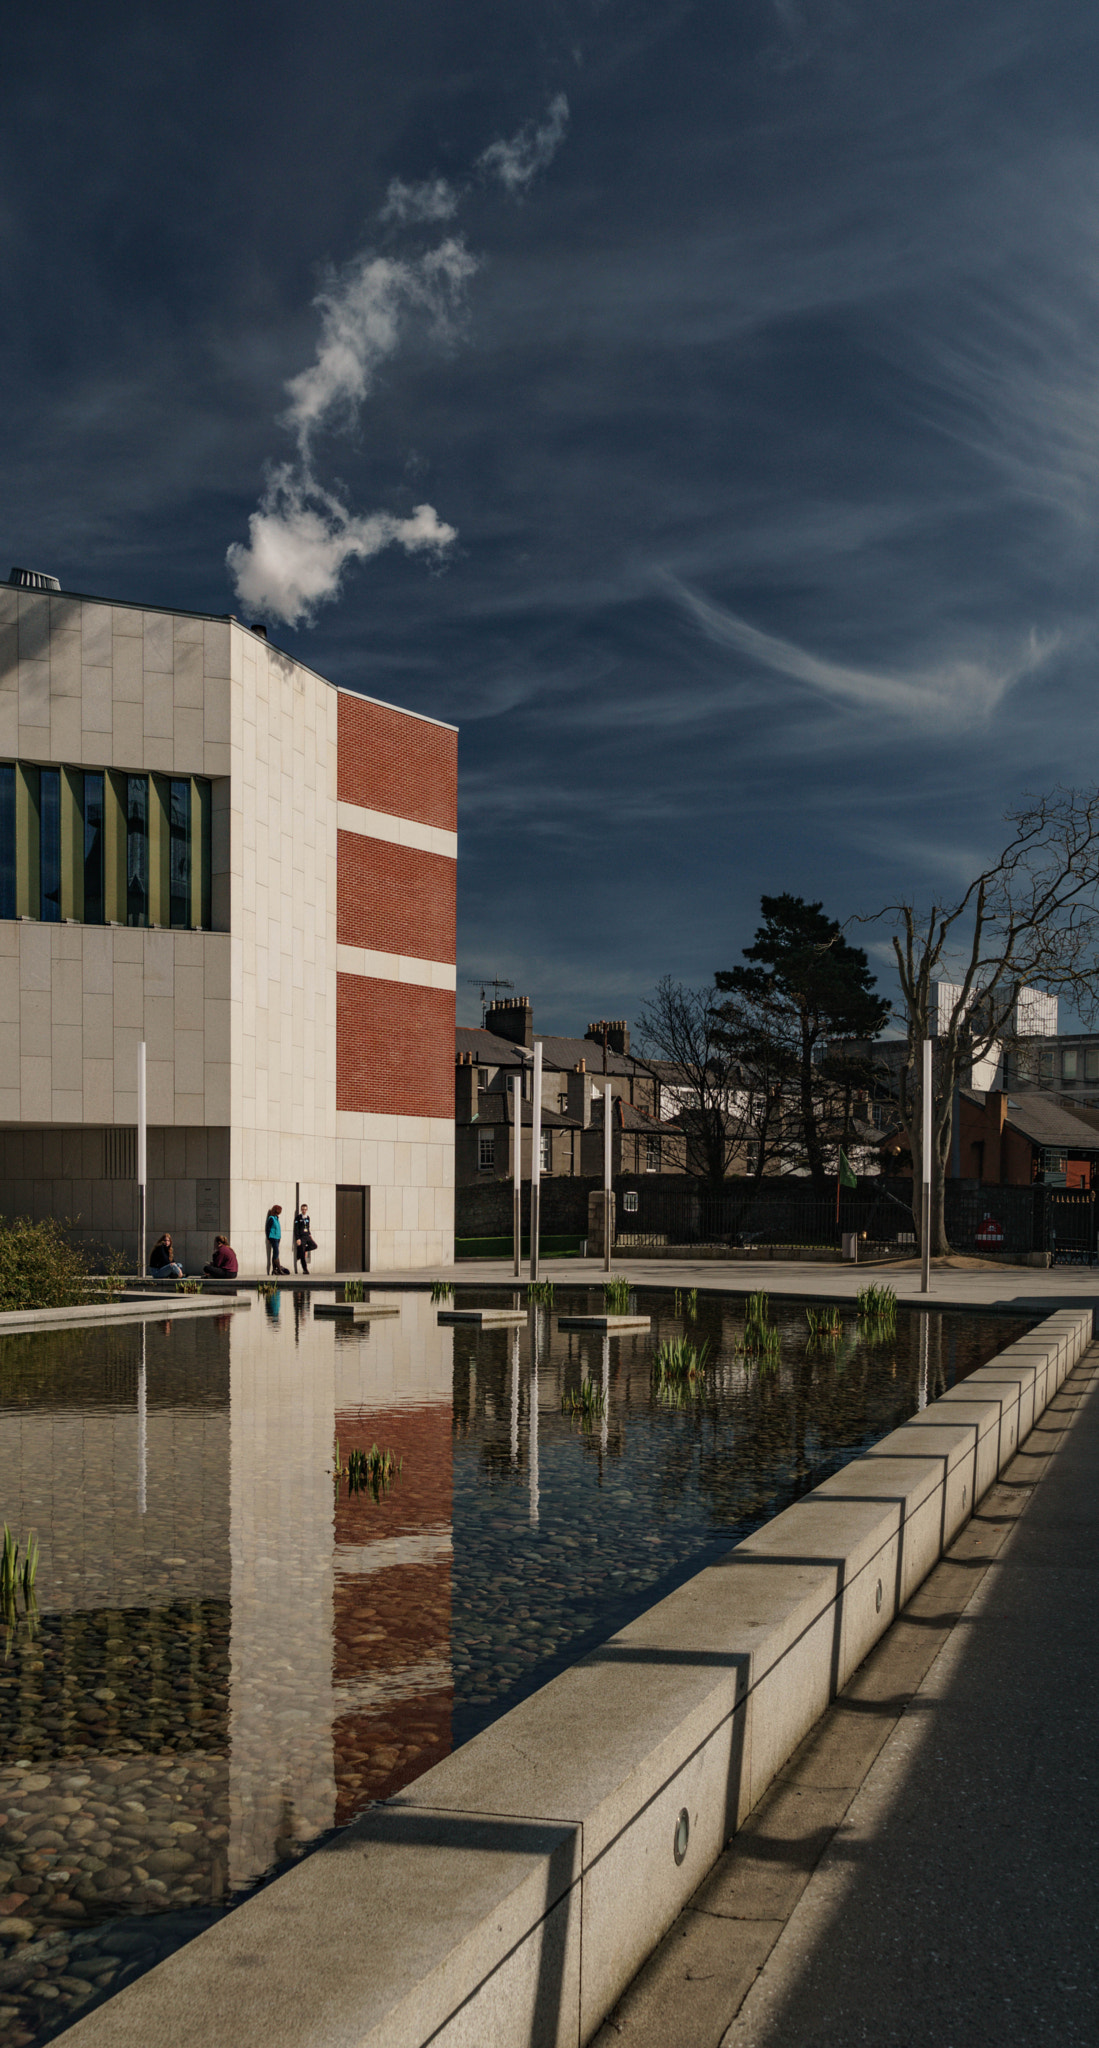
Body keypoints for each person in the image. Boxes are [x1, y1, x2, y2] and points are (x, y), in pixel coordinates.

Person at [293, 1201, 317, 1274]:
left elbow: (308, 1227)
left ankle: (300, 1253)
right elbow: (296, 1229)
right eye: (303, 1209)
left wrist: (310, 1235)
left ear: (307, 1210)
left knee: (314, 1246)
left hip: (307, 1236)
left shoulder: (308, 1217)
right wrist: (297, 1238)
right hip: (301, 1237)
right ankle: (305, 1269)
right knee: (303, 1255)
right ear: (301, 1209)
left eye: (305, 1209)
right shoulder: (298, 1218)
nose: (304, 1210)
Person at [265, 1205, 287, 1275]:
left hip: (277, 1237)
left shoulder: (276, 1218)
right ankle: (279, 1269)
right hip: (273, 1237)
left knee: (275, 1253)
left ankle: (274, 1270)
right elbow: (268, 1228)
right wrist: (268, 1238)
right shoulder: (271, 1218)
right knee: (276, 1253)